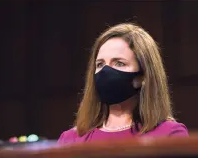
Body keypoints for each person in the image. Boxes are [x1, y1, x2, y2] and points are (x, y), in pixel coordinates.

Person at [58, 23, 188, 145]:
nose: (105, 71)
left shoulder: (170, 135)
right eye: (100, 64)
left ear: (144, 76)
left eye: (119, 63)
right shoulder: (70, 140)